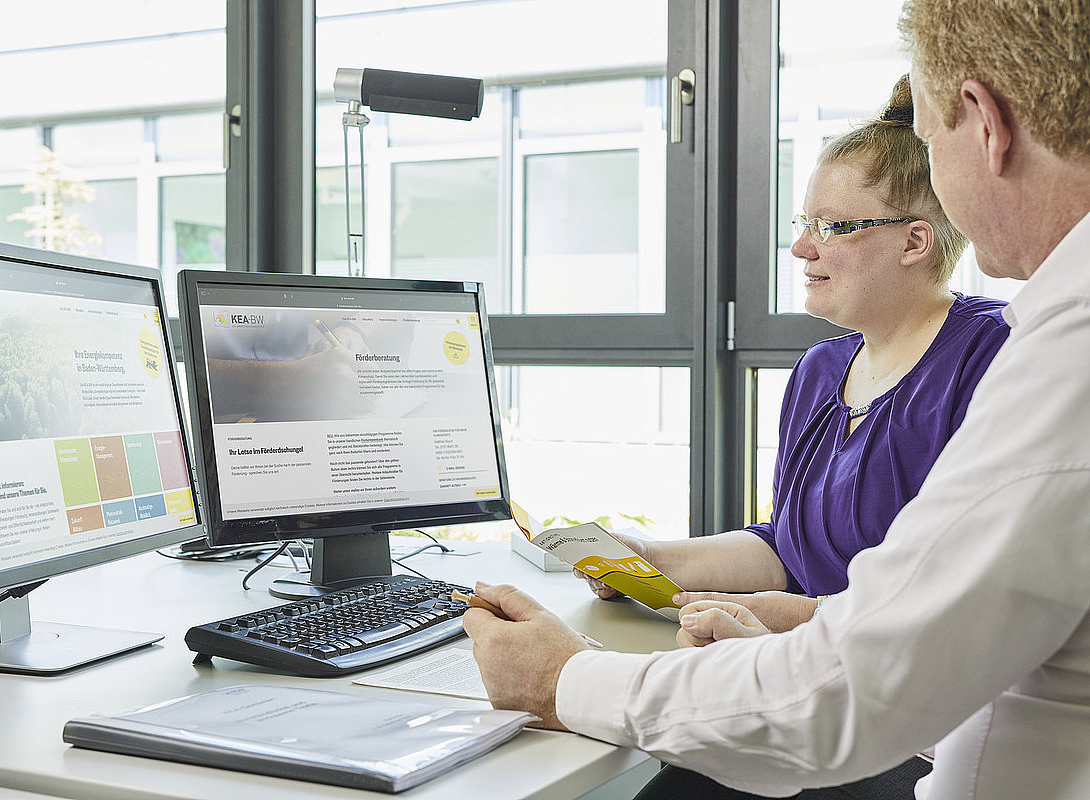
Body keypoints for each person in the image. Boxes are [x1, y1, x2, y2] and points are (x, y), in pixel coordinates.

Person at [462, 2, 1090, 798]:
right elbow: (868, 592)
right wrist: (674, 573)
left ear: (983, 123)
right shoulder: (845, 367)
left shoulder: (1035, 356)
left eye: (933, 144)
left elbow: (851, 693)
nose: (803, 247)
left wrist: (565, 679)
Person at [577, 76, 1008, 654]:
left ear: (914, 242)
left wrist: (796, 620)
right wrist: (649, 557)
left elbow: (972, 597)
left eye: (830, 227)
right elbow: (786, 548)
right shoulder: (820, 371)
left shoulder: (993, 357)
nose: (801, 248)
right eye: (803, 224)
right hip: (811, 670)